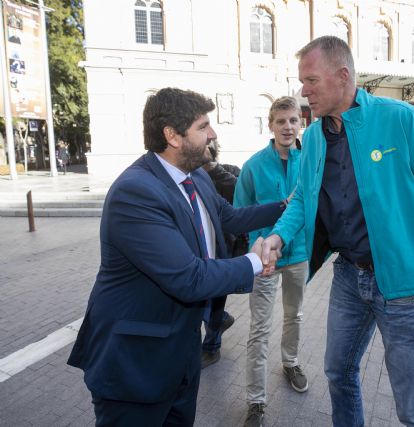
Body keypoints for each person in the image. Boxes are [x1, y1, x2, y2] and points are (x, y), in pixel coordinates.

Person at [259, 36, 414, 427]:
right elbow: (303, 199)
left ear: (343, 76)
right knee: (338, 373)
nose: (303, 92)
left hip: (405, 287)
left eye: (311, 81)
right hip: (348, 278)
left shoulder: (402, 119)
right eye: (301, 82)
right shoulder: (317, 137)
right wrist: (277, 236)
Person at [67, 87, 285, 426]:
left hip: (180, 355)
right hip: (135, 365)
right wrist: (256, 262)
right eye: (203, 126)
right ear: (172, 135)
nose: (212, 134)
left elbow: (227, 217)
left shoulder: (195, 174)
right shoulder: (135, 193)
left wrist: (286, 208)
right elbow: (189, 278)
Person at [235, 96, 309, 427]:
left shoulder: (309, 161)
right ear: (271, 125)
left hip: (298, 256)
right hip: (264, 259)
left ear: (300, 123)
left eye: (293, 120)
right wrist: (257, 249)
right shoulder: (252, 166)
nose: (288, 127)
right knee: (260, 328)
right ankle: (256, 401)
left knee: (295, 316)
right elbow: (241, 214)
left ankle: (290, 362)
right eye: (281, 121)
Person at [199, 139, 246, 368]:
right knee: (197, 297)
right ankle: (221, 321)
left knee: (216, 299)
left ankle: (211, 347)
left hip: (222, 248)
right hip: (196, 248)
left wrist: (213, 169)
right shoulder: (188, 175)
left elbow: (239, 193)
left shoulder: (228, 171)